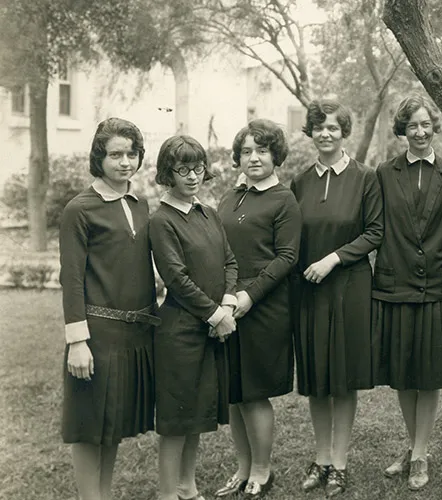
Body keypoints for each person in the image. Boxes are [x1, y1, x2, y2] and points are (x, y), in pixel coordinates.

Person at [60, 118, 157, 500]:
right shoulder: (79, 209)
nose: (124, 162)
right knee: (89, 425)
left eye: (131, 154)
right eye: (115, 154)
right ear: (98, 157)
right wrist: (77, 341)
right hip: (96, 335)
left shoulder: (140, 203)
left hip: (134, 334)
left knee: (112, 422)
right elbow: (72, 278)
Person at [291, 99, 383, 497]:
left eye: (333, 127)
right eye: (318, 127)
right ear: (310, 133)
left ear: (344, 132)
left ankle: (340, 463)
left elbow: (375, 232)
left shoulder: (365, 178)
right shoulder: (299, 182)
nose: (325, 134)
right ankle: (322, 458)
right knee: (316, 378)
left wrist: (333, 258)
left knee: (342, 379)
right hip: (309, 291)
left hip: (350, 287)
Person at [375, 93, 442, 491]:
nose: (421, 132)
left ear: (434, 128)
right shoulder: (384, 173)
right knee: (403, 375)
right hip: (395, 284)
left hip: (436, 285)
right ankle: (414, 445)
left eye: (426, 125)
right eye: (413, 126)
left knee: (428, 375)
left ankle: (420, 452)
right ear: (402, 131)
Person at [149, 135, 238, 500]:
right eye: (182, 169)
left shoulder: (209, 212)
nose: (192, 177)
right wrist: (216, 314)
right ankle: (169, 493)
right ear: (168, 173)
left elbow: (229, 261)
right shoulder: (162, 219)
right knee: (176, 421)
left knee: (197, 415)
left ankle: (188, 487)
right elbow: (176, 278)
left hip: (211, 328)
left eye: (198, 168)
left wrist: (228, 304)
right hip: (180, 332)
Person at [215, 119, 300, 498]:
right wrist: (226, 297)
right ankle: (243, 466)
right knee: (234, 391)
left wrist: (250, 296)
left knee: (255, 392)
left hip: (263, 306)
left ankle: (263, 472)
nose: (253, 158)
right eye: (247, 151)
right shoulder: (232, 197)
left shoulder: (284, 199)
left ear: (275, 155)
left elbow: (287, 257)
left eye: (262, 150)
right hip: (229, 303)